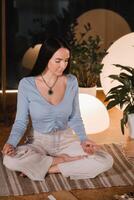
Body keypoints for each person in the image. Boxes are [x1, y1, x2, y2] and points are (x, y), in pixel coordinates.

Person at [2, 38, 113, 181]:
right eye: (58, 61)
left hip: (66, 140)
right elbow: (21, 122)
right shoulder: (26, 85)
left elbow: (75, 117)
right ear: (46, 58)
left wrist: (84, 139)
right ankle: (60, 161)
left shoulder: (71, 81)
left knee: (105, 160)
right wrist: (11, 142)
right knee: (9, 160)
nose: (63, 65)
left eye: (66, 60)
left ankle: (51, 168)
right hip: (39, 142)